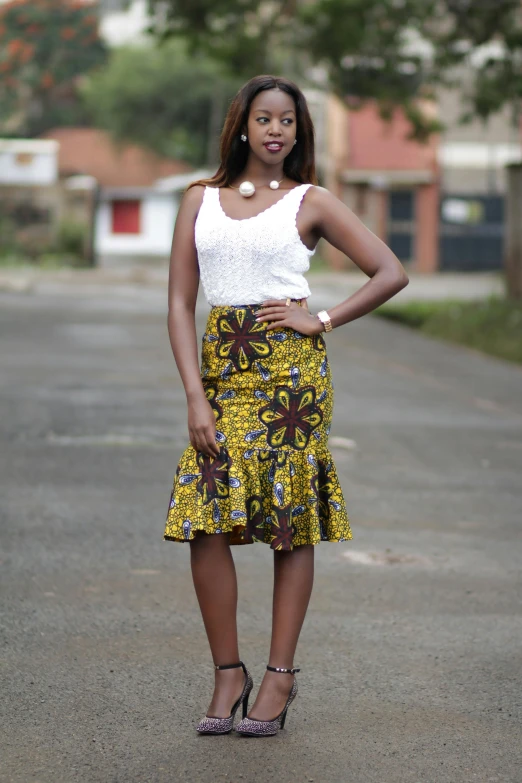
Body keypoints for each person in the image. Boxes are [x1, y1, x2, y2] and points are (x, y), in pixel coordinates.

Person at [163, 74, 409, 737]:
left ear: (299, 133)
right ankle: (227, 671)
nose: (277, 130)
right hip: (221, 370)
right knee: (206, 516)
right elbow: (180, 304)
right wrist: (194, 393)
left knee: (288, 517)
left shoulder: (311, 200)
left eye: (289, 122)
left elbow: (390, 271)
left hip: (289, 377)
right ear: (242, 125)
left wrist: (321, 318)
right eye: (265, 118)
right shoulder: (199, 200)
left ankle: (279, 676)